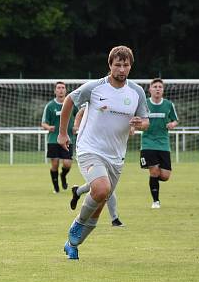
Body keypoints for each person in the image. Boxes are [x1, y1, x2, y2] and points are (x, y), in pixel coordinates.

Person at [57, 46, 149, 259]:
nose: (122, 69)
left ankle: (72, 244)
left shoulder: (137, 92)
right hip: (90, 148)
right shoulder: (95, 87)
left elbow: (145, 121)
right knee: (101, 189)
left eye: (126, 65)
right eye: (118, 64)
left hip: (116, 156)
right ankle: (76, 226)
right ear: (110, 65)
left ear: (131, 66)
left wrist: (140, 123)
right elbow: (70, 100)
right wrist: (62, 133)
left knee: (98, 205)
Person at [69, 103, 125, 227]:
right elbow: (81, 112)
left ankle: (77, 191)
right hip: (92, 151)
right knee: (106, 186)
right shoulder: (97, 96)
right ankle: (114, 219)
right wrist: (77, 127)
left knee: (102, 186)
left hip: (109, 151)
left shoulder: (120, 101)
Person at [139, 78, 179, 209]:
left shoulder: (168, 104)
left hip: (163, 144)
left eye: (160, 87)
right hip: (148, 143)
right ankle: (156, 201)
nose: (157, 89)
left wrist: (172, 124)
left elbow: (175, 120)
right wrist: (134, 127)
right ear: (150, 89)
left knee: (165, 176)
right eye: (155, 86)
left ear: (163, 90)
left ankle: (154, 179)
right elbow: (136, 118)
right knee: (154, 171)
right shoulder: (144, 104)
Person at [41, 81, 77, 193]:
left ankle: (63, 176)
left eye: (63, 88)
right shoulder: (50, 106)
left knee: (67, 164)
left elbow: (79, 115)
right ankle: (56, 187)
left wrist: (76, 126)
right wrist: (48, 127)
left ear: (66, 90)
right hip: (53, 139)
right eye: (58, 88)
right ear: (55, 91)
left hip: (68, 139)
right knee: (55, 164)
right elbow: (43, 123)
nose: (61, 90)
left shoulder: (71, 104)